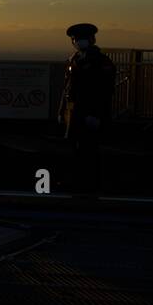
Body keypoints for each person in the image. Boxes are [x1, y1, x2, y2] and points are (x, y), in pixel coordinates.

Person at [58, 22, 115, 192]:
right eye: (75, 39)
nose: (78, 42)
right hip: (74, 111)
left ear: (92, 39)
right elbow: (67, 88)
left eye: (81, 39)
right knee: (75, 148)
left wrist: (96, 115)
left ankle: (91, 184)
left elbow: (104, 91)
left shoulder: (101, 62)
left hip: (89, 112)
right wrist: (62, 111)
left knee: (90, 150)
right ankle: (76, 182)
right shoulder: (73, 59)